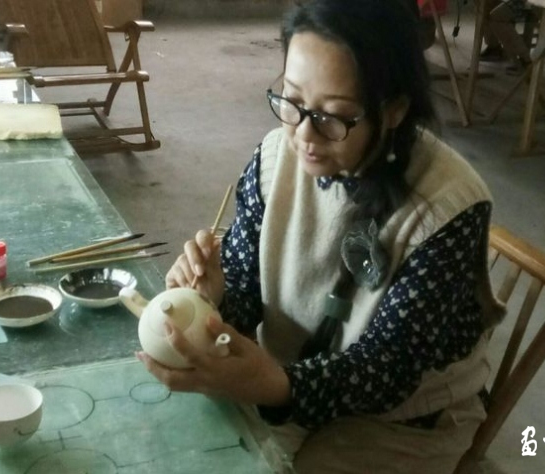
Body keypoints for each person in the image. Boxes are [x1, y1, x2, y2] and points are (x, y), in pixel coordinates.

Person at [136, 0, 505, 472]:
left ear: (394, 110)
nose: (305, 137)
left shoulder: (448, 209)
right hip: (284, 378)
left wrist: (276, 385)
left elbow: (386, 371)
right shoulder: (276, 159)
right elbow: (248, 294)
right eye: (292, 101)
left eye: (334, 116)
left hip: (402, 419)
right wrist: (215, 296)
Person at [480, 0, 535, 71]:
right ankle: (494, 48)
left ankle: (525, 59)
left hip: (531, 4)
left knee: (496, 16)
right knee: (486, 6)